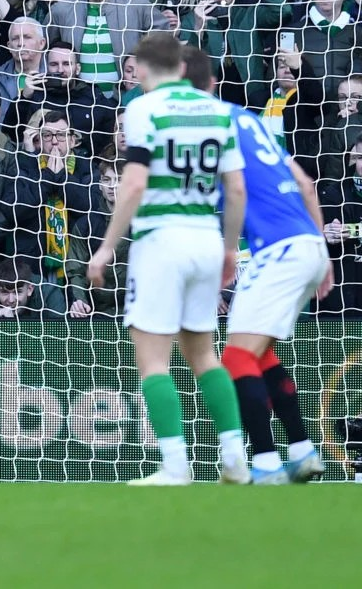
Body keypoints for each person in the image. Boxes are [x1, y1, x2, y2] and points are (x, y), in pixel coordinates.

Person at [87, 32, 248, 486]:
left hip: (160, 239)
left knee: (154, 360)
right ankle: (235, 457)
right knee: (204, 355)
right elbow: (236, 189)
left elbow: (134, 184)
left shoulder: (142, 108)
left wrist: (105, 248)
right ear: (181, 66)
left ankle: (176, 465)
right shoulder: (220, 111)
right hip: (205, 237)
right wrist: (230, 248)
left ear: (139, 70)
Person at [182, 47, 330, 484]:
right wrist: (321, 254)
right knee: (260, 352)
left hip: (277, 250)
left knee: (236, 356)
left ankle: (264, 465)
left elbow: (237, 191)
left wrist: (228, 251)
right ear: (212, 83)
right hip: (306, 242)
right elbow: (306, 183)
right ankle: (302, 450)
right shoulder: (248, 119)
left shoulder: (204, 126)